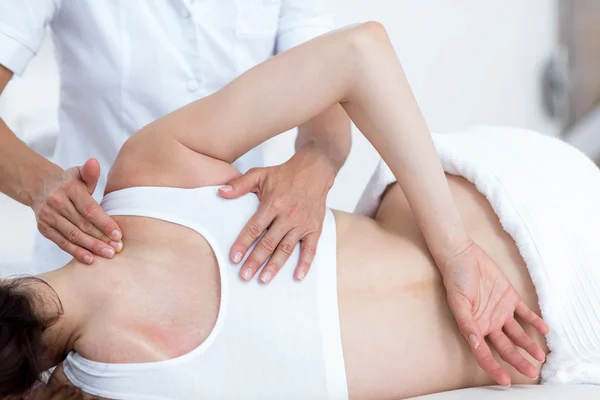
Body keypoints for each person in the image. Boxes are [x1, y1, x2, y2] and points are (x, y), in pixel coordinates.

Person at [2, 21, 599, 400]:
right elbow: (359, 52)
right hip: (510, 180)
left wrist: (316, 159)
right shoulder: (149, 168)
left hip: (563, 309)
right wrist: (458, 253)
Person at [0, 1, 351, 282]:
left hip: (236, 259)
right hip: (94, 257)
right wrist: (40, 184)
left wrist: (315, 165)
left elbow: (333, 82)